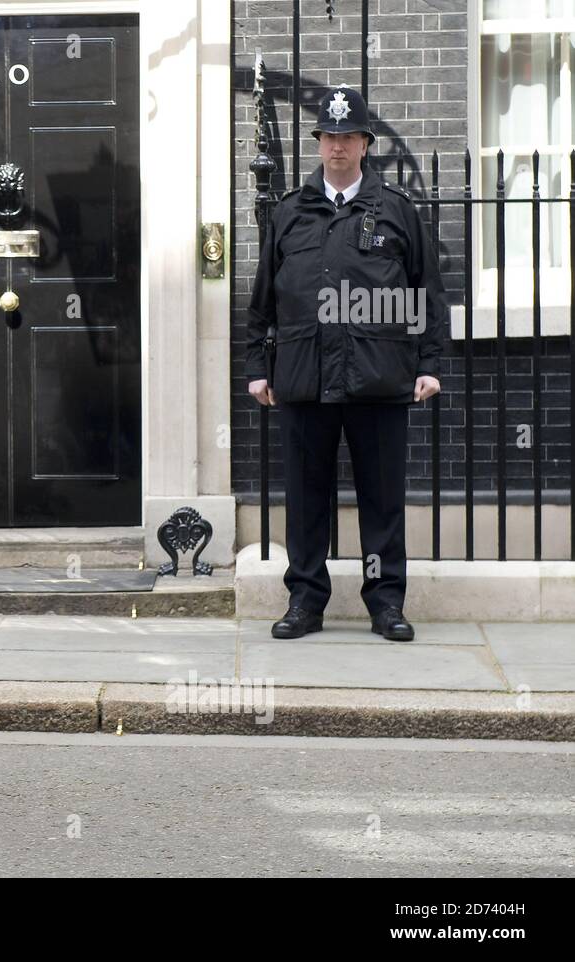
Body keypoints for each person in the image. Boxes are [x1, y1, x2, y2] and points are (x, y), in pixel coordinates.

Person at [245, 86, 446, 642]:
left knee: (381, 499)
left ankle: (385, 603)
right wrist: (256, 368)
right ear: (320, 143)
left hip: (379, 378)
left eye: (348, 136)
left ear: (364, 144)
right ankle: (305, 602)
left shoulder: (397, 211)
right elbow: (262, 298)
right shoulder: (289, 212)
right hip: (303, 379)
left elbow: (426, 293)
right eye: (329, 136)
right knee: (306, 497)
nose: (338, 146)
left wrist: (429, 363)